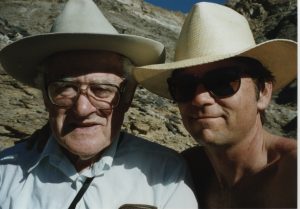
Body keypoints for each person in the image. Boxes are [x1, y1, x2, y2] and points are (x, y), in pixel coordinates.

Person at [0, 0, 198, 208]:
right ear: (45, 98)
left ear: (127, 97)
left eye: (102, 89)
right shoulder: (6, 172)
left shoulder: (165, 173)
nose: (82, 108)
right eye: (65, 89)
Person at [134, 2, 297, 209]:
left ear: (263, 92)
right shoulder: (181, 172)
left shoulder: (292, 174)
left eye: (223, 81)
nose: (200, 98)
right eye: (185, 86)